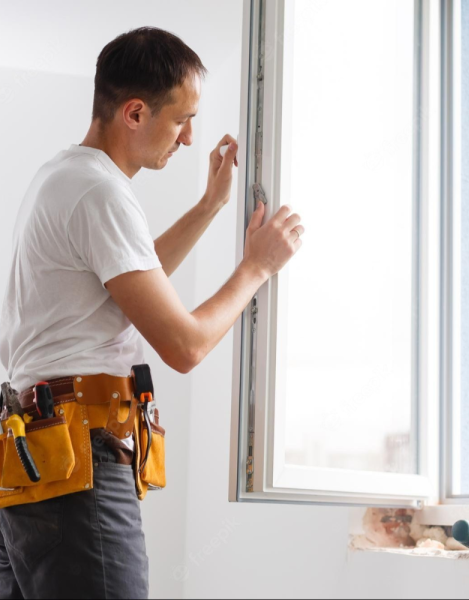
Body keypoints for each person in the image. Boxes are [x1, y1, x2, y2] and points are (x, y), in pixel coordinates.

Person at [0, 26, 303, 599]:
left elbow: (132, 277)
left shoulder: (67, 177)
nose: (189, 138)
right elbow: (184, 347)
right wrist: (256, 269)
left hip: (38, 463)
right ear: (135, 112)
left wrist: (210, 206)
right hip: (79, 466)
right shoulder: (99, 192)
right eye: (181, 119)